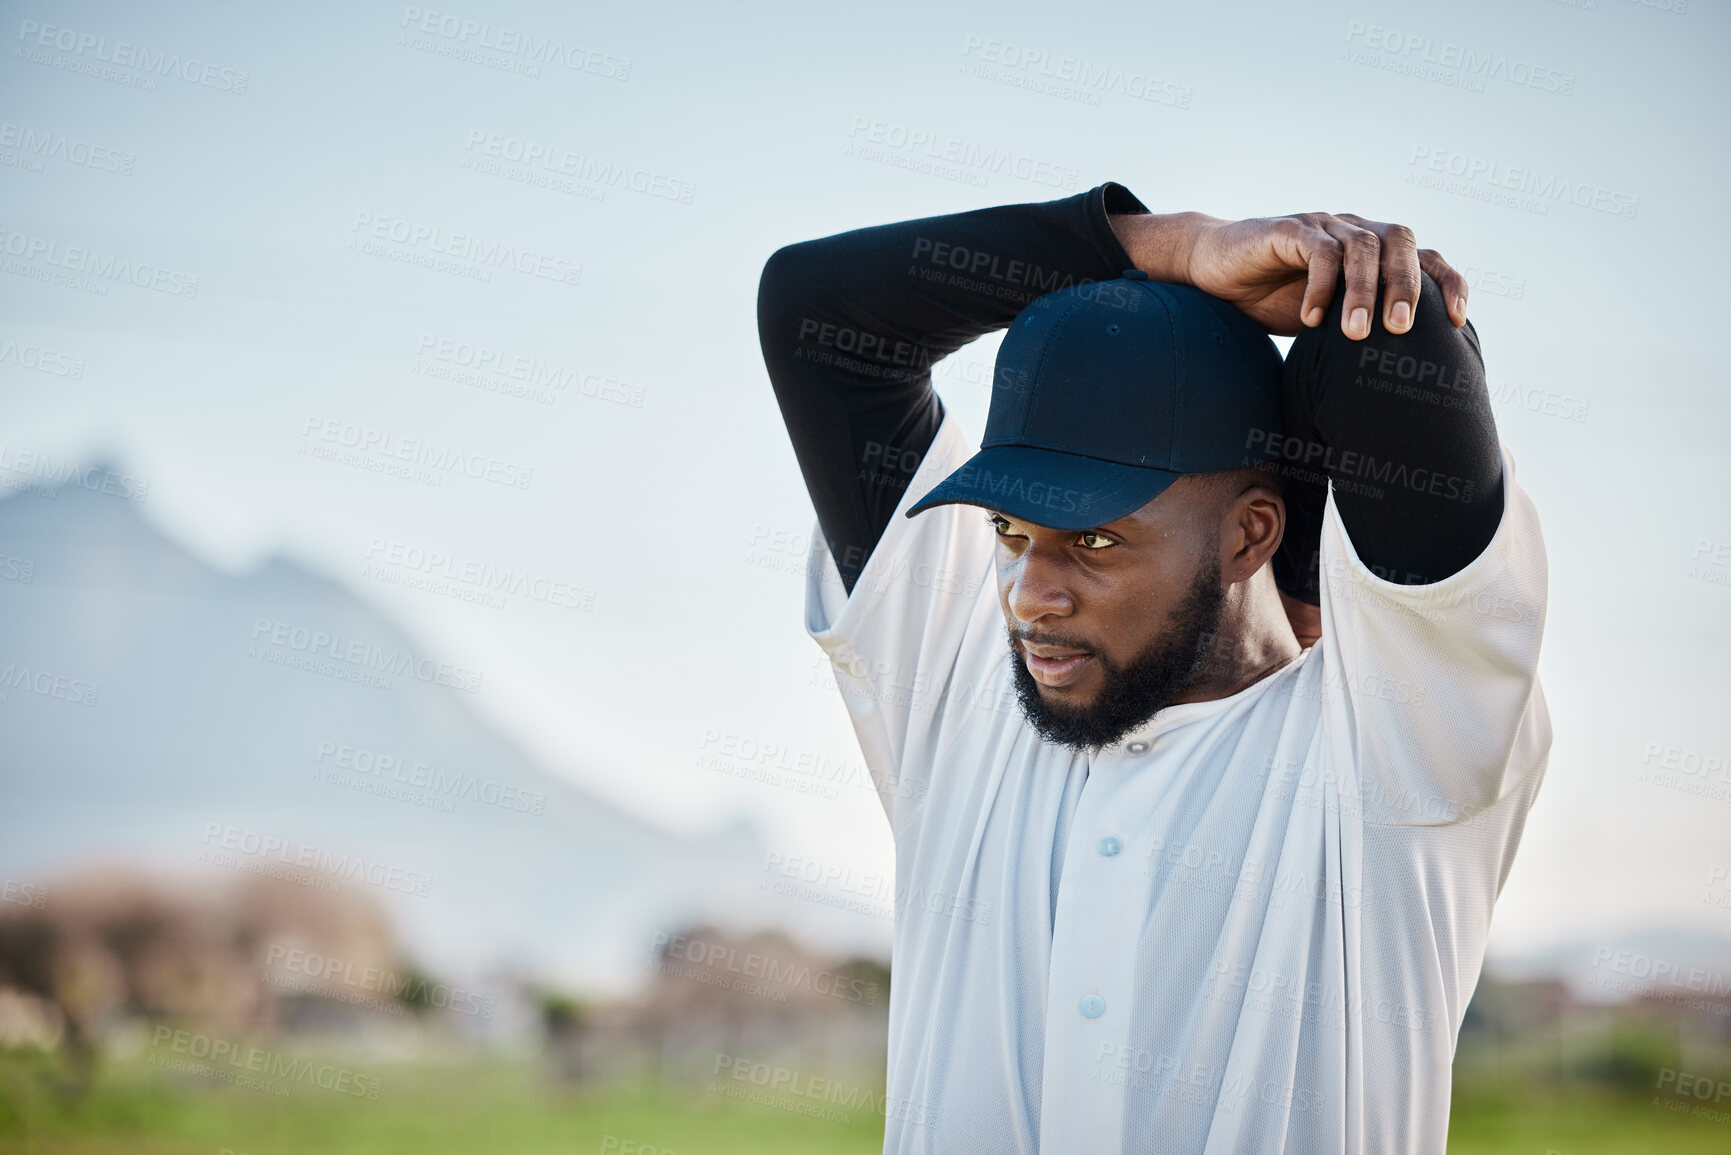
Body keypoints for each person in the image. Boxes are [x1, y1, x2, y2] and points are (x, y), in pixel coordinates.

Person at [756, 182, 1548, 1154]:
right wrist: (1178, 248)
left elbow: (1388, 348)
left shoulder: (1394, 750)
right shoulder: (959, 692)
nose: (1028, 594)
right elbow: (816, 309)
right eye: (1010, 530)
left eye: (1093, 539)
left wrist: (1332, 294)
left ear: (1252, 532)